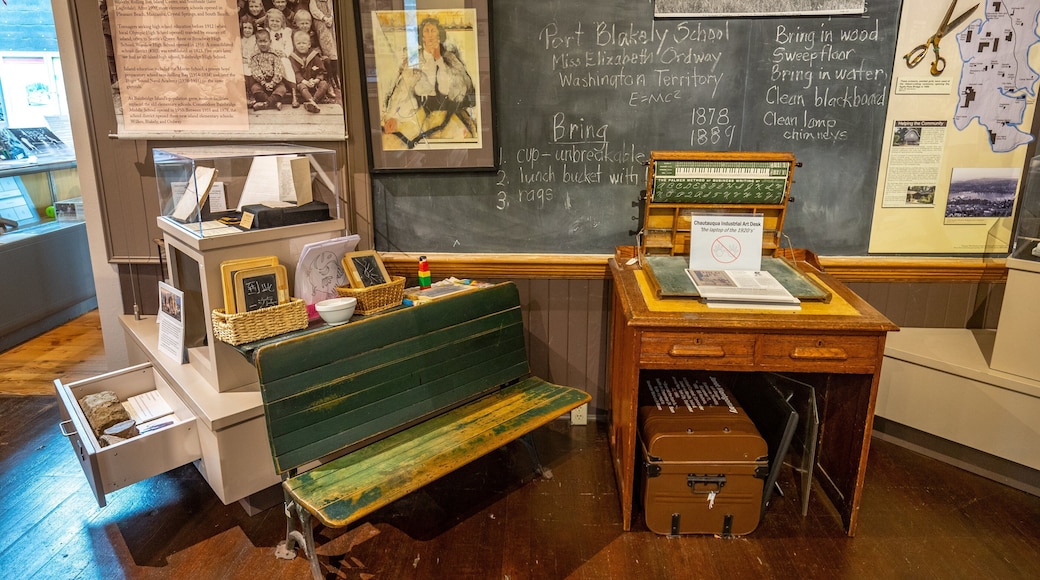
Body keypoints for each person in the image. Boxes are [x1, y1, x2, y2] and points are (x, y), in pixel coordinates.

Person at [380, 16, 477, 149]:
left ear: (439, 35)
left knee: (461, 142)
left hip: (447, 113)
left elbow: (461, 87)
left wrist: (439, 60)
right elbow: (403, 88)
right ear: (422, 36)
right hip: (420, 114)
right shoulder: (415, 60)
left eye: (433, 30)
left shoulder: (450, 58)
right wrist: (392, 116)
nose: (430, 34)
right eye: (426, 31)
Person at [289, 29, 330, 113]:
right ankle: (311, 101)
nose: (301, 45)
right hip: (303, 83)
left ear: (309, 44)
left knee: (324, 84)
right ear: (294, 45)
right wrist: (304, 81)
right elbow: (295, 73)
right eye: (298, 43)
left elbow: (321, 71)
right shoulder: (292, 57)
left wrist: (315, 80)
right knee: (301, 86)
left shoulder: (314, 55)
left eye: (304, 43)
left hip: (314, 83)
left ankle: (313, 102)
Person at [248, 29, 288, 110]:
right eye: (260, 41)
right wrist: (264, 83)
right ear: (256, 42)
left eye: (265, 41)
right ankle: (274, 103)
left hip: (275, 81)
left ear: (270, 41)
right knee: (255, 88)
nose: (263, 44)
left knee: (282, 89)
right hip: (261, 82)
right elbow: (255, 70)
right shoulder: (255, 56)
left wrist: (273, 83)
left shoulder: (275, 54)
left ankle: (265, 104)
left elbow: (278, 69)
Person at [309, 0, 339, 92]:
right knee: (327, 47)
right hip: (321, 22)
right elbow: (314, 11)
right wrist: (324, 18)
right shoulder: (313, 1)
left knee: (335, 45)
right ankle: (329, 78)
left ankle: (336, 75)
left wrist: (331, 18)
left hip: (331, 21)